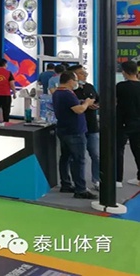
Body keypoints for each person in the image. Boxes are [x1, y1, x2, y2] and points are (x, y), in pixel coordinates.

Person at [52, 71, 97, 199]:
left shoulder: (57, 92)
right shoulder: (67, 94)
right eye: (76, 80)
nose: (77, 83)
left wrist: (81, 102)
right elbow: (79, 110)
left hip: (64, 129)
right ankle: (80, 189)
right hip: (74, 131)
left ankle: (66, 184)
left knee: (65, 158)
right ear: (70, 81)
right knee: (79, 160)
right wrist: (86, 103)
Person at [70, 64, 100, 188]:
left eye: (85, 73)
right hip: (77, 126)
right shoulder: (70, 90)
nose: (85, 75)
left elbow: (98, 99)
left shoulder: (89, 87)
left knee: (96, 154)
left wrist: (97, 105)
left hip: (92, 125)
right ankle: (79, 183)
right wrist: (85, 103)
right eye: (81, 73)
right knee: (79, 157)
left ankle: (97, 180)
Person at [116, 60, 140, 187]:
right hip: (138, 122)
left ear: (124, 72)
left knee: (118, 150)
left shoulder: (121, 86)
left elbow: (114, 101)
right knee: (138, 150)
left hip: (123, 122)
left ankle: (117, 179)